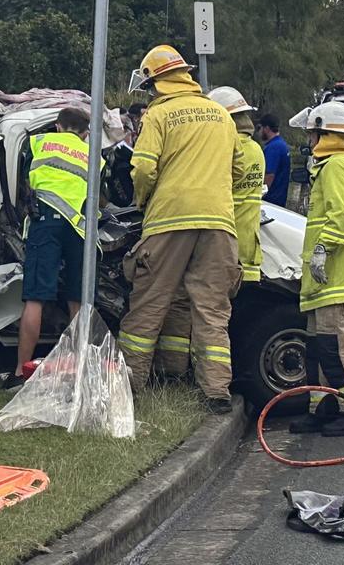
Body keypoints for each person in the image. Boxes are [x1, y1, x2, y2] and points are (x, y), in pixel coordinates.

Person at [119, 45, 244, 415]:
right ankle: (216, 391)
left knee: (150, 302)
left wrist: (144, 200)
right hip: (219, 223)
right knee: (211, 308)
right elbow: (237, 172)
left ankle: (130, 382)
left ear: (155, 80)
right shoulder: (221, 115)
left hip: (169, 219)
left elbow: (142, 169)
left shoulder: (158, 115)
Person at [152, 86, 265, 380]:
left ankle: (176, 373)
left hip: (214, 241)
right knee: (217, 315)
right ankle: (217, 379)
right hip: (241, 244)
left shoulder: (225, 146)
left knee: (191, 308)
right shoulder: (255, 150)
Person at [286, 101, 344, 437]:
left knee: (338, 345)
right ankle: (324, 408)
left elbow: (341, 218)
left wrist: (323, 250)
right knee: (320, 347)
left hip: (339, 275)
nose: (308, 140)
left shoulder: (337, 166)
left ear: (324, 132)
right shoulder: (333, 165)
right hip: (327, 280)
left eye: (311, 133)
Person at [4, 107, 91, 391]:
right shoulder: (95, 156)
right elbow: (99, 198)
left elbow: (21, 185)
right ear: (85, 133)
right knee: (78, 299)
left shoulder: (38, 144)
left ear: (57, 126)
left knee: (36, 297)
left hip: (46, 222)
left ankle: (20, 372)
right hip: (80, 229)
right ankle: (76, 371)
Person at [258, 114, 291, 207]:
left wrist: (260, 196)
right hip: (280, 200)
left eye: (260, 128)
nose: (259, 132)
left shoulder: (273, 147)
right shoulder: (282, 145)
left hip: (271, 201)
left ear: (267, 128)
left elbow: (269, 175)